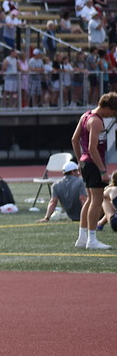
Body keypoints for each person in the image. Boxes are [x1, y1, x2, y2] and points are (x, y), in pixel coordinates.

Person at [72, 92, 117, 249]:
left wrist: (79, 161)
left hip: (86, 163)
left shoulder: (85, 115)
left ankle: (82, 238)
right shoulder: (96, 121)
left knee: (90, 200)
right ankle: (92, 239)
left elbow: (74, 139)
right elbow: (92, 148)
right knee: (96, 201)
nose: (113, 114)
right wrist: (103, 170)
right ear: (107, 107)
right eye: (113, 111)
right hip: (93, 164)